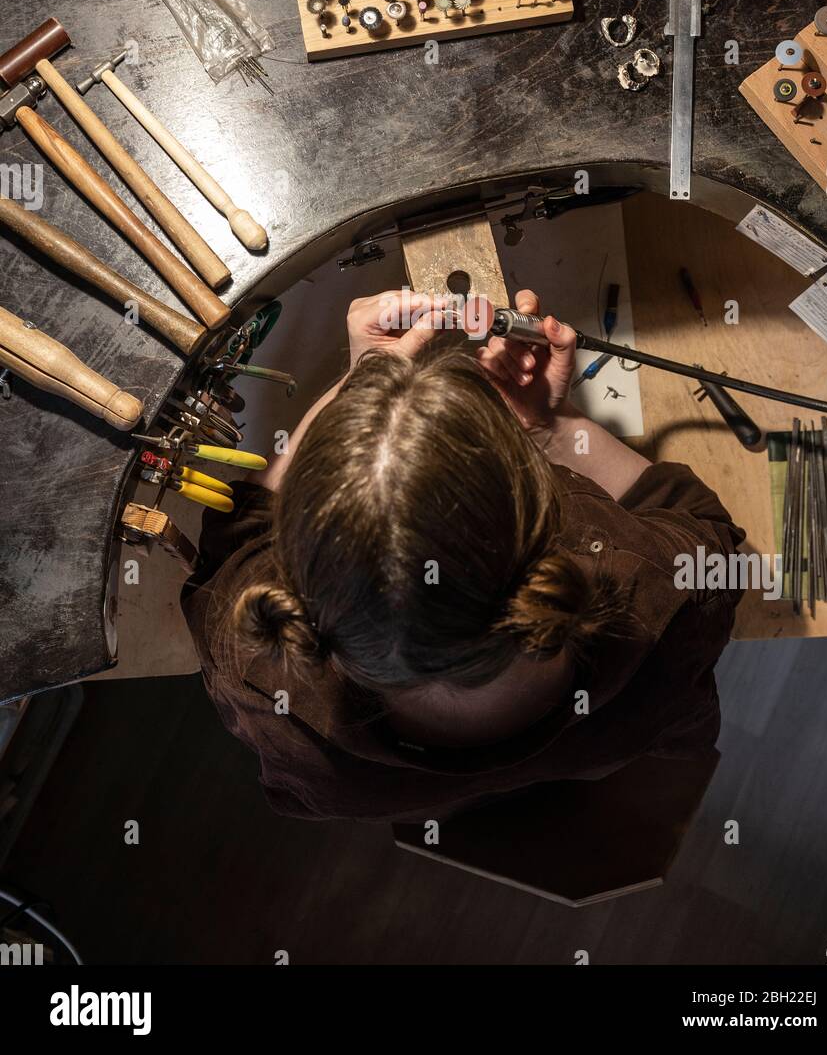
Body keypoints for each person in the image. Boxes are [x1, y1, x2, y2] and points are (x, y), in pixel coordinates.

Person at [182, 289, 745, 822]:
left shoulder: (263, 686)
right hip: (620, 754)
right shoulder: (662, 595)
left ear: (300, 588)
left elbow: (242, 531)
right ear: (549, 508)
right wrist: (549, 426)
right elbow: (705, 525)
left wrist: (360, 383)